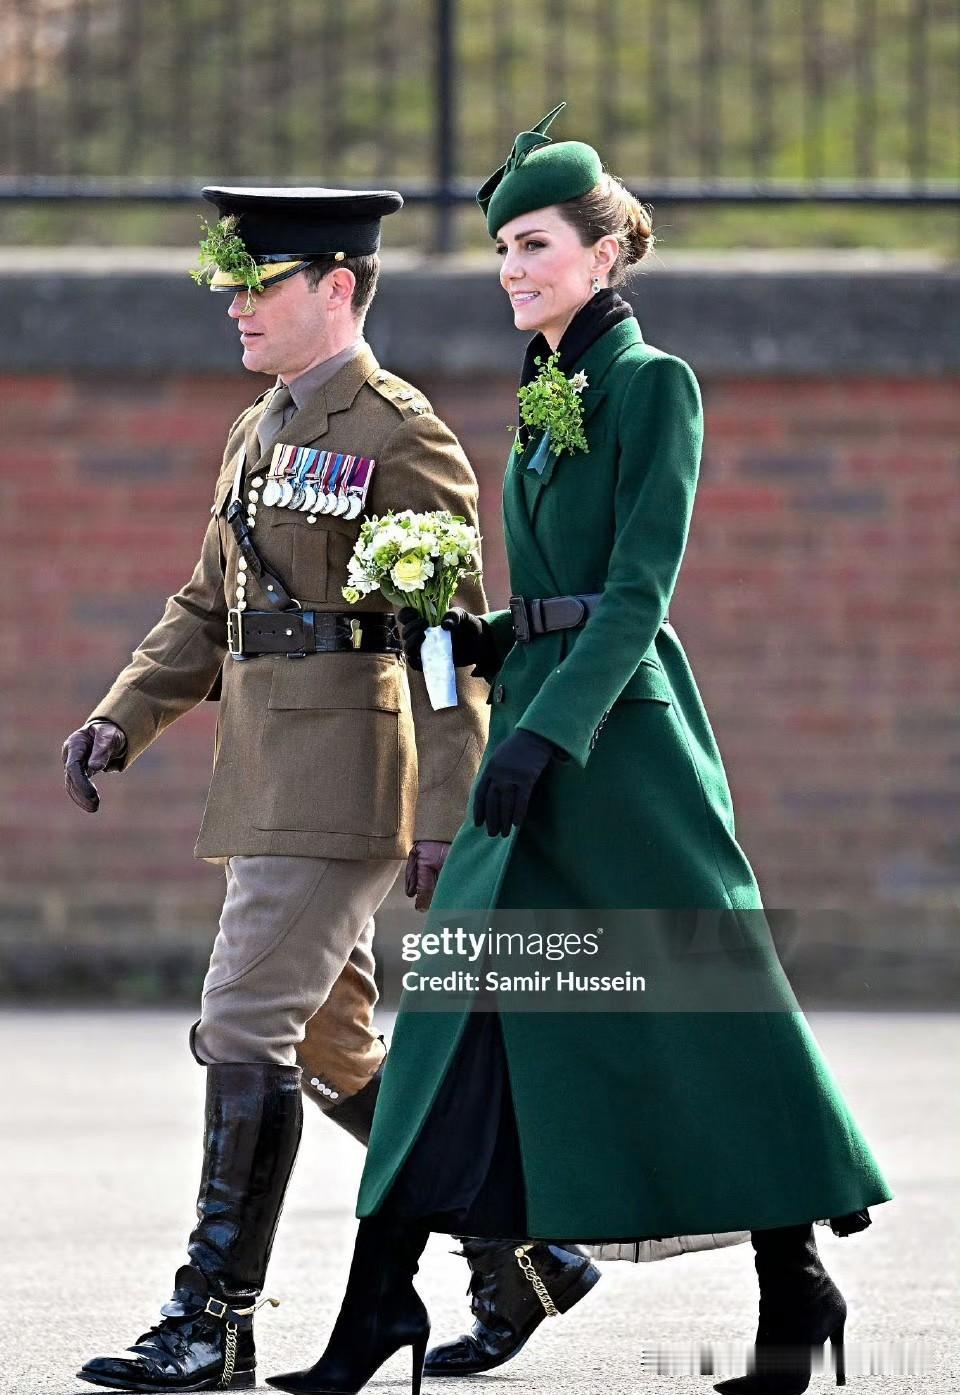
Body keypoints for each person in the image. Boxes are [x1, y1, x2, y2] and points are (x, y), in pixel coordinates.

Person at [266, 108, 894, 1395]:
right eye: (502, 249)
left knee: (706, 1019)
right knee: (453, 1012)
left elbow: (637, 593)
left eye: (537, 245)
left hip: (623, 751)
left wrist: (542, 733)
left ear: (605, 254)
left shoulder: (655, 385)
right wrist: (471, 638)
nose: (513, 269)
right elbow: (554, 595)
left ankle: (797, 1285)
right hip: (545, 724)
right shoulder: (542, 392)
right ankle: (377, 1305)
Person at [62, 185, 596, 1393]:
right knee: (340, 1048)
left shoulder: (400, 434)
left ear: (340, 288)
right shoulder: (258, 428)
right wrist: (120, 717)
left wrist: (445, 815)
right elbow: (209, 605)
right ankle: (519, 1244)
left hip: (350, 785)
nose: (238, 307)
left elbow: (446, 643)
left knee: (243, 1024)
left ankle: (214, 1318)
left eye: (263, 284)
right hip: (262, 772)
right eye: (232, 285)